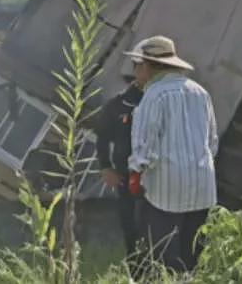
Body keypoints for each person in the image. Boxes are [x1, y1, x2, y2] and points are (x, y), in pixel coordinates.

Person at [127, 35, 218, 274]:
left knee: (164, 253)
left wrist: (136, 172)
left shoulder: (154, 94)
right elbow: (212, 142)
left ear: (148, 66)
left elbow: (145, 149)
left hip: (167, 188)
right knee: (193, 254)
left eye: (137, 66)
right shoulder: (200, 92)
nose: (135, 73)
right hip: (202, 184)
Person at [93, 43, 147, 276]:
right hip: (127, 178)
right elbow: (102, 137)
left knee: (157, 231)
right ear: (136, 69)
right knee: (131, 230)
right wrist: (105, 167)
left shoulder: (164, 100)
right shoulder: (119, 104)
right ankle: (137, 275)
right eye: (145, 67)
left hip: (158, 177)